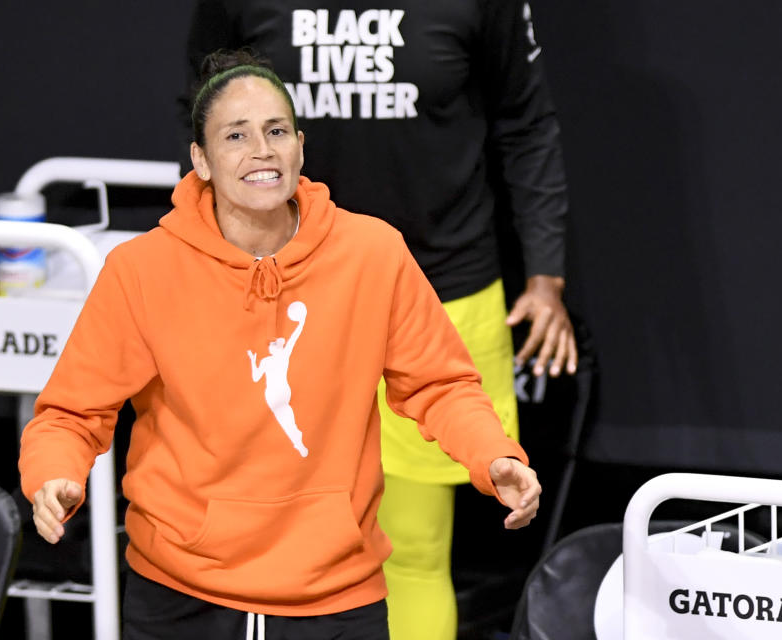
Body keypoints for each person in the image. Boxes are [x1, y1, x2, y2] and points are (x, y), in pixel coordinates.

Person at [20, 50, 541, 640]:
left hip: (335, 596)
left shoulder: (373, 253)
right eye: (235, 135)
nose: (261, 150)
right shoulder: (141, 269)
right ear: (201, 160)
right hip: (179, 595)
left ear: (300, 145)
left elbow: (440, 385)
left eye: (275, 131)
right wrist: (54, 473)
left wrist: (493, 455)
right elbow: (72, 411)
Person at [184, 3, 576, 638]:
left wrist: (545, 277)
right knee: (265, 542)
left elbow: (526, 124)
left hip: (441, 290)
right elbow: (203, 111)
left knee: (413, 551)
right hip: (277, 290)